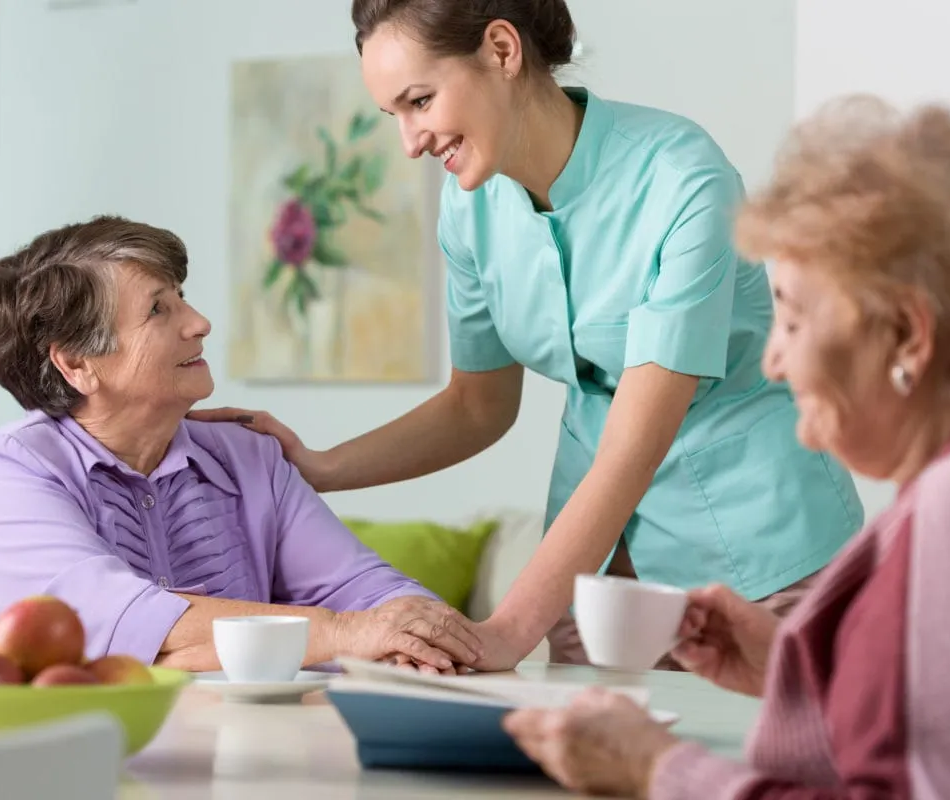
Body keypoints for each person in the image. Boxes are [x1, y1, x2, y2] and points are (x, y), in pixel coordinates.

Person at [190, 0, 863, 671]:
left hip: (757, 552)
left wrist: (506, 631)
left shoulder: (683, 181)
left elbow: (634, 449)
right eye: (393, 114)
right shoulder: (469, 207)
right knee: (587, 766)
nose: (411, 141)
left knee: (766, 766)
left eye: (419, 101)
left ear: (503, 51)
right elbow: (477, 406)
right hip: (594, 567)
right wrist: (320, 467)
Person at [502, 96, 950, 798]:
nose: (771, 362)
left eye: (792, 321)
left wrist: (657, 769)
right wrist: (794, 671)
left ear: (908, 336)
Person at [0, 216, 482, 674]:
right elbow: (120, 626)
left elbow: (365, 588)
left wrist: (413, 637)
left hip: (204, 748)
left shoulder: (246, 455)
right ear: (77, 363)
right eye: (160, 308)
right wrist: (345, 636)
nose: (200, 321)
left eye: (182, 296)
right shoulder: (4, 477)